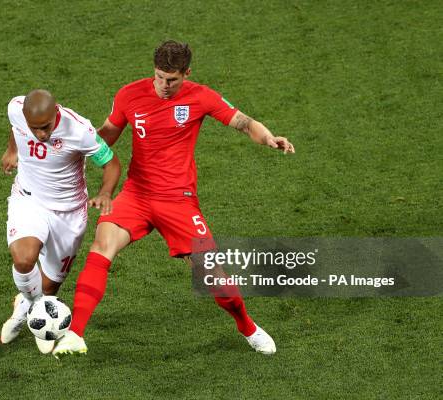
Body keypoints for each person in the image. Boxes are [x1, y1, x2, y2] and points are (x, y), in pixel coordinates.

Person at [53, 41, 294, 357]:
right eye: (159, 77)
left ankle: (247, 327)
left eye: (172, 80)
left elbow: (244, 123)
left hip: (178, 201)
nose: (164, 86)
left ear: (186, 74)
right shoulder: (129, 95)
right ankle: (75, 335)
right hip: (136, 194)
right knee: (101, 246)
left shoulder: (200, 96)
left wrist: (269, 138)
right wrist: (72, 151)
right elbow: (107, 133)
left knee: (214, 276)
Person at [0, 89, 120, 354]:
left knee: (49, 286)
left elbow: (111, 163)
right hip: (29, 199)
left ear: (56, 113)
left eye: (45, 127)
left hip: (69, 213)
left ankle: (26, 306)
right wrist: (12, 151)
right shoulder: (16, 109)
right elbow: (15, 127)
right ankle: (33, 314)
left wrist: (105, 193)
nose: (41, 135)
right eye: (35, 129)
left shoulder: (80, 131)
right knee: (23, 259)